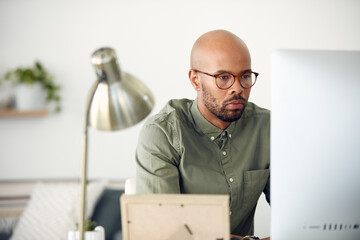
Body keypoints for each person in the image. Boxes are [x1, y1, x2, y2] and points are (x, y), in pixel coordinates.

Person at [135, 29, 270, 239]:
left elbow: (296, 214)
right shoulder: (163, 133)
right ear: (195, 80)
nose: (238, 88)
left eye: (245, 76)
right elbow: (163, 232)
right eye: (223, 77)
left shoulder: (267, 127)